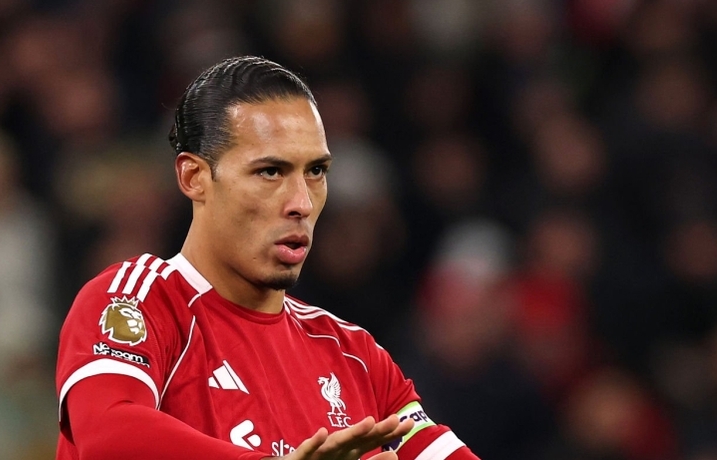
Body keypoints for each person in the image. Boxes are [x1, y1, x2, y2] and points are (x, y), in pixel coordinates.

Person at [54, 56, 480, 460]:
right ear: (194, 177)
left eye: (315, 171)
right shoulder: (139, 301)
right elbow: (107, 434)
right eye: (270, 172)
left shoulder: (355, 355)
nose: (301, 203)